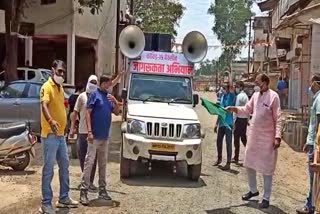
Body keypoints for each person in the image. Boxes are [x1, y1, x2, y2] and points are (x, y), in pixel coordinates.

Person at [225, 73, 282, 209]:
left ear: (265, 82)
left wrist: (277, 137)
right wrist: (233, 109)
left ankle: (266, 197)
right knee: (249, 163)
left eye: (258, 82)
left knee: (266, 169)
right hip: (254, 136)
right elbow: (246, 110)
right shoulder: (255, 96)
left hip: (267, 138)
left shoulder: (274, 96)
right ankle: (253, 190)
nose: (256, 84)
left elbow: (278, 118)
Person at [39, 60, 78, 214]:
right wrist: (51, 120)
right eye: (59, 71)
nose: (62, 74)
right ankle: (46, 203)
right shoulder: (46, 87)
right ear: (52, 70)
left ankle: (64, 197)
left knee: (65, 166)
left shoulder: (60, 88)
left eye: (63, 72)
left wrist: (67, 125)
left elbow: (61, 106)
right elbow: (44, 105)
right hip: (50, 134)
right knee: (48, 169)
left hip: (61, 135)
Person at [80, 75, 121, 205]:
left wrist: (115, 101)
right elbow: (88, 113)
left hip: (104, 137)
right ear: (102, 84)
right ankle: (84, 191)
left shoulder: (108, 97)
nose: (109, 86)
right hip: (94, 137)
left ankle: (102, 190)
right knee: (89, 163)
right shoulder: (94, 95)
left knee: (103, 164)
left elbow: (117, 112)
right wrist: (90, 132)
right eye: (108, 84)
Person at [69, 75, 99, 192]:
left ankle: (90, 181)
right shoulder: (81, 97)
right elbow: (74, 114)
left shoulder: (97, 97)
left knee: (93, 159)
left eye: (95, 82)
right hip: (82, 131)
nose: (93, 84)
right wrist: (72, 129)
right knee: (82, 157)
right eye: (91, 81)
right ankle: (85, 178)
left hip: (94, 132)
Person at [296, 74, 320, 214]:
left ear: (315, 84)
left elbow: (318, 123)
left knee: (313, 177)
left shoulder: (319, 98)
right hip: (313, 142)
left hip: (316, 144)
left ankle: (310, 206)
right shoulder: (316, 98)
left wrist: (315, 145)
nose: (309, 86)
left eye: (310, 83)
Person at [214, 73, 235, 171]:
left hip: (228, 123)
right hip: (222, 123)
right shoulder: (222, 96)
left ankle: (228, 163)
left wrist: (229, 74)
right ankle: (219, 159)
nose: (223, 88)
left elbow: (231, 85)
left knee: (228, 143)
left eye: (224, 86)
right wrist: (216, 124)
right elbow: (220, 110)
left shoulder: (231, 96)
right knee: (219, 141)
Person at [233, 81, 249, 164]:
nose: (236, 88)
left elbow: (236, 109)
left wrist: (233, 120)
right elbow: (248, 109)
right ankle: (249, 155)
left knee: (236, 139)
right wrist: (248, 120)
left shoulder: (239, 96)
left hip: (239, 120)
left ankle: (236, 157)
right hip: (244, 120)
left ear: (241, 87)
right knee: (243, 138)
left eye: (237, 86)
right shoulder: (246, 97)